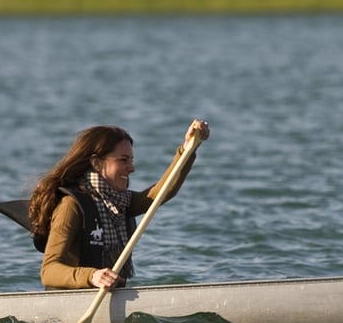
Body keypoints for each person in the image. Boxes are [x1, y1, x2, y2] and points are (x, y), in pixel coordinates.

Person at [28, 120, 210, 289]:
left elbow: (162, 193)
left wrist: (189, 148)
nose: (131, 168)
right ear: (96, 163)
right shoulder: (71, 205)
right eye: (123, 160)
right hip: (70, 301)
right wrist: (92, 276)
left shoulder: (122, 203)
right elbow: (49, 271)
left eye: (131, 161)